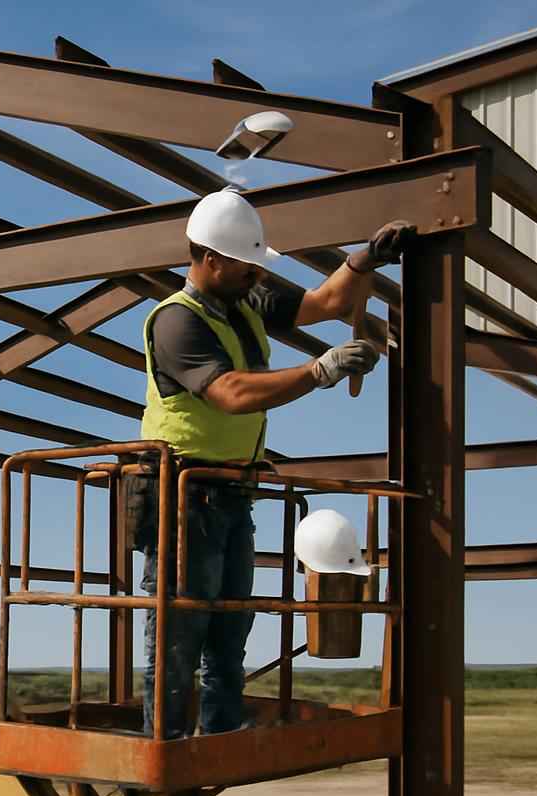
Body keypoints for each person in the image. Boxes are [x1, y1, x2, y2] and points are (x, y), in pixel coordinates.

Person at [133, 187, 414, 739]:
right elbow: (230, 392)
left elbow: (324, 304)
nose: (256, 275)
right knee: (179, 635)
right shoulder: (174, 321)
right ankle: (162, 750)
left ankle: (217, 741)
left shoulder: (245, 301)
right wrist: (320, 371)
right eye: (246, 264)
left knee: (231, 630)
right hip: (183, 500)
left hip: (231, 495)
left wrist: (365, 259)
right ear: (211, 259)